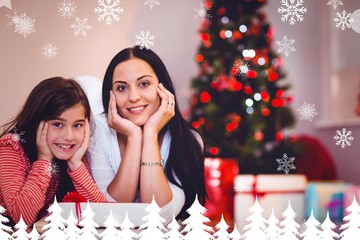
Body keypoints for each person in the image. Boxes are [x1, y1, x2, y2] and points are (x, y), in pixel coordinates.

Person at [86, 46, 206, 223]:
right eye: (121, 88)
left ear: (163, 88)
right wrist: (134, 137)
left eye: (144, 84)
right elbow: (110, 213)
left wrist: (149, 134)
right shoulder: (98, 130)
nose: (133, 97)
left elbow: (158, 216)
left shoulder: (188, 140)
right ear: (110, 95)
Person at [0, 77, 107, 227]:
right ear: (37, 122)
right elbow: (22, 219)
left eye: (77, 125)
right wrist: (44, 160)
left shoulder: (73, 155)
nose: (69, 137)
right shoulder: (12, 147)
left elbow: (103, 215)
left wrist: (76, 165)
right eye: (58, 124)